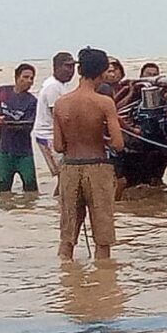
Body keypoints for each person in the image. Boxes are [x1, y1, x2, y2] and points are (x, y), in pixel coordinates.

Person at [53, 48, 124, 260]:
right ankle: (103, 283)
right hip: (98, 167)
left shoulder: (61, 103)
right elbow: (118, 144)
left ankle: (66, 281)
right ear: (102, 72)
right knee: (103, 238)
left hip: (70, 167)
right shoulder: (104, 103)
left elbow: (58, 146)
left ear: (79, 70)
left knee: (67, 236)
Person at [0, 63, 39, 193]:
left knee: (31, 189)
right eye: (25, 77)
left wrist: (6, 123)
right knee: (3, 190)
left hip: (24, 152)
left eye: (31, 78)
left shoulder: (32, 102)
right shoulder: (3, 92)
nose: (29, 81)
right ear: (16, 77)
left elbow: (27, 126)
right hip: (4, 151)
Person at [33, 52, 76, 184]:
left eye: (73, 67)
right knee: (64, 176)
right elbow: (58, 115)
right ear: (56, 67)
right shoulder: (53, 87)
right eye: (68, 67)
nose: (71, 71)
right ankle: (60, 202)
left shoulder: (60, 85)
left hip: (54, 135)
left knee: (65, 177)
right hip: (48, 136)